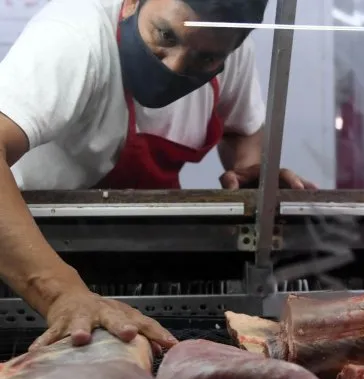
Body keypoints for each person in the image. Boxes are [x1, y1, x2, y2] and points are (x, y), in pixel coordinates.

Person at [0, 0, 316, 351]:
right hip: (28, 255)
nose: (174, 67)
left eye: (204, 59)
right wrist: (60, 294)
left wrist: (250, 172)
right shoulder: (73, 37)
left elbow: (243, 130)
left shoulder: (224, 46)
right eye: (165, 35)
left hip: (142, 256)